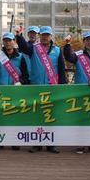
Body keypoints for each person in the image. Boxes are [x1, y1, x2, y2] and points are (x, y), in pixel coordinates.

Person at [26, 26, 66, 154]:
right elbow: (23, 47)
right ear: (39, 36)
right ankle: (37, 143)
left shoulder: (57, 50)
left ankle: (51, 144)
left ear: (51, 36)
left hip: (52, 87)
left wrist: (62, 86)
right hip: (36, 87)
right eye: (42, 35)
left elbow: (61, 69)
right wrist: (19, 35)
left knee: (51, 116)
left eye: (47, 35)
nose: (44, 37)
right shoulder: (33, 48)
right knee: (37, 115)